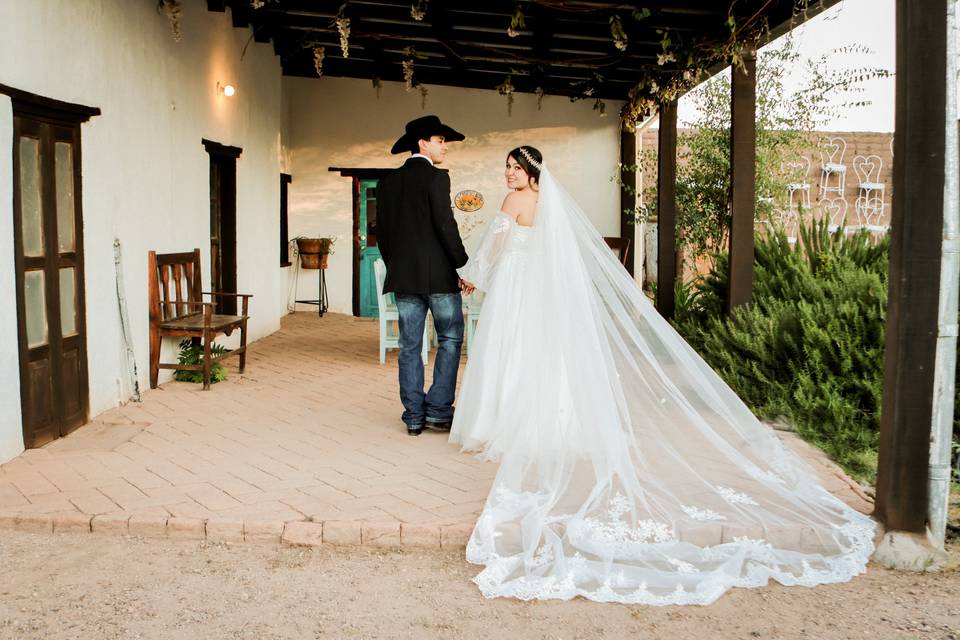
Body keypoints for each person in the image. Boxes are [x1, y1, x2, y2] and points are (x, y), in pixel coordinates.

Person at [451, 146, 875, 605]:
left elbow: (493, 248)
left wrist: (475, 275)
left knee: (510, 349)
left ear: (531, 172)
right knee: (538, 354)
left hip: (517, 287)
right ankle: (549, 423)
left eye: (516, 168)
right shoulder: (552, 205)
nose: (509, 175)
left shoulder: (512, 204)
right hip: (541, 291)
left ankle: (500, 421)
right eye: (508, 169)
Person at [377, 115, 470, 437]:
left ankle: (414, 416)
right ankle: (439, 412)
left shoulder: (387, 183)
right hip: (440, 278)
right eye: (440, 140)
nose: (445, 146)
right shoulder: (436, 178)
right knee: (450, 340)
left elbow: (383, 237)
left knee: (409, 347)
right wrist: (463, 265)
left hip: (404, 279)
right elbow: (446, 226)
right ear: (422, 143)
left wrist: (397, 266)